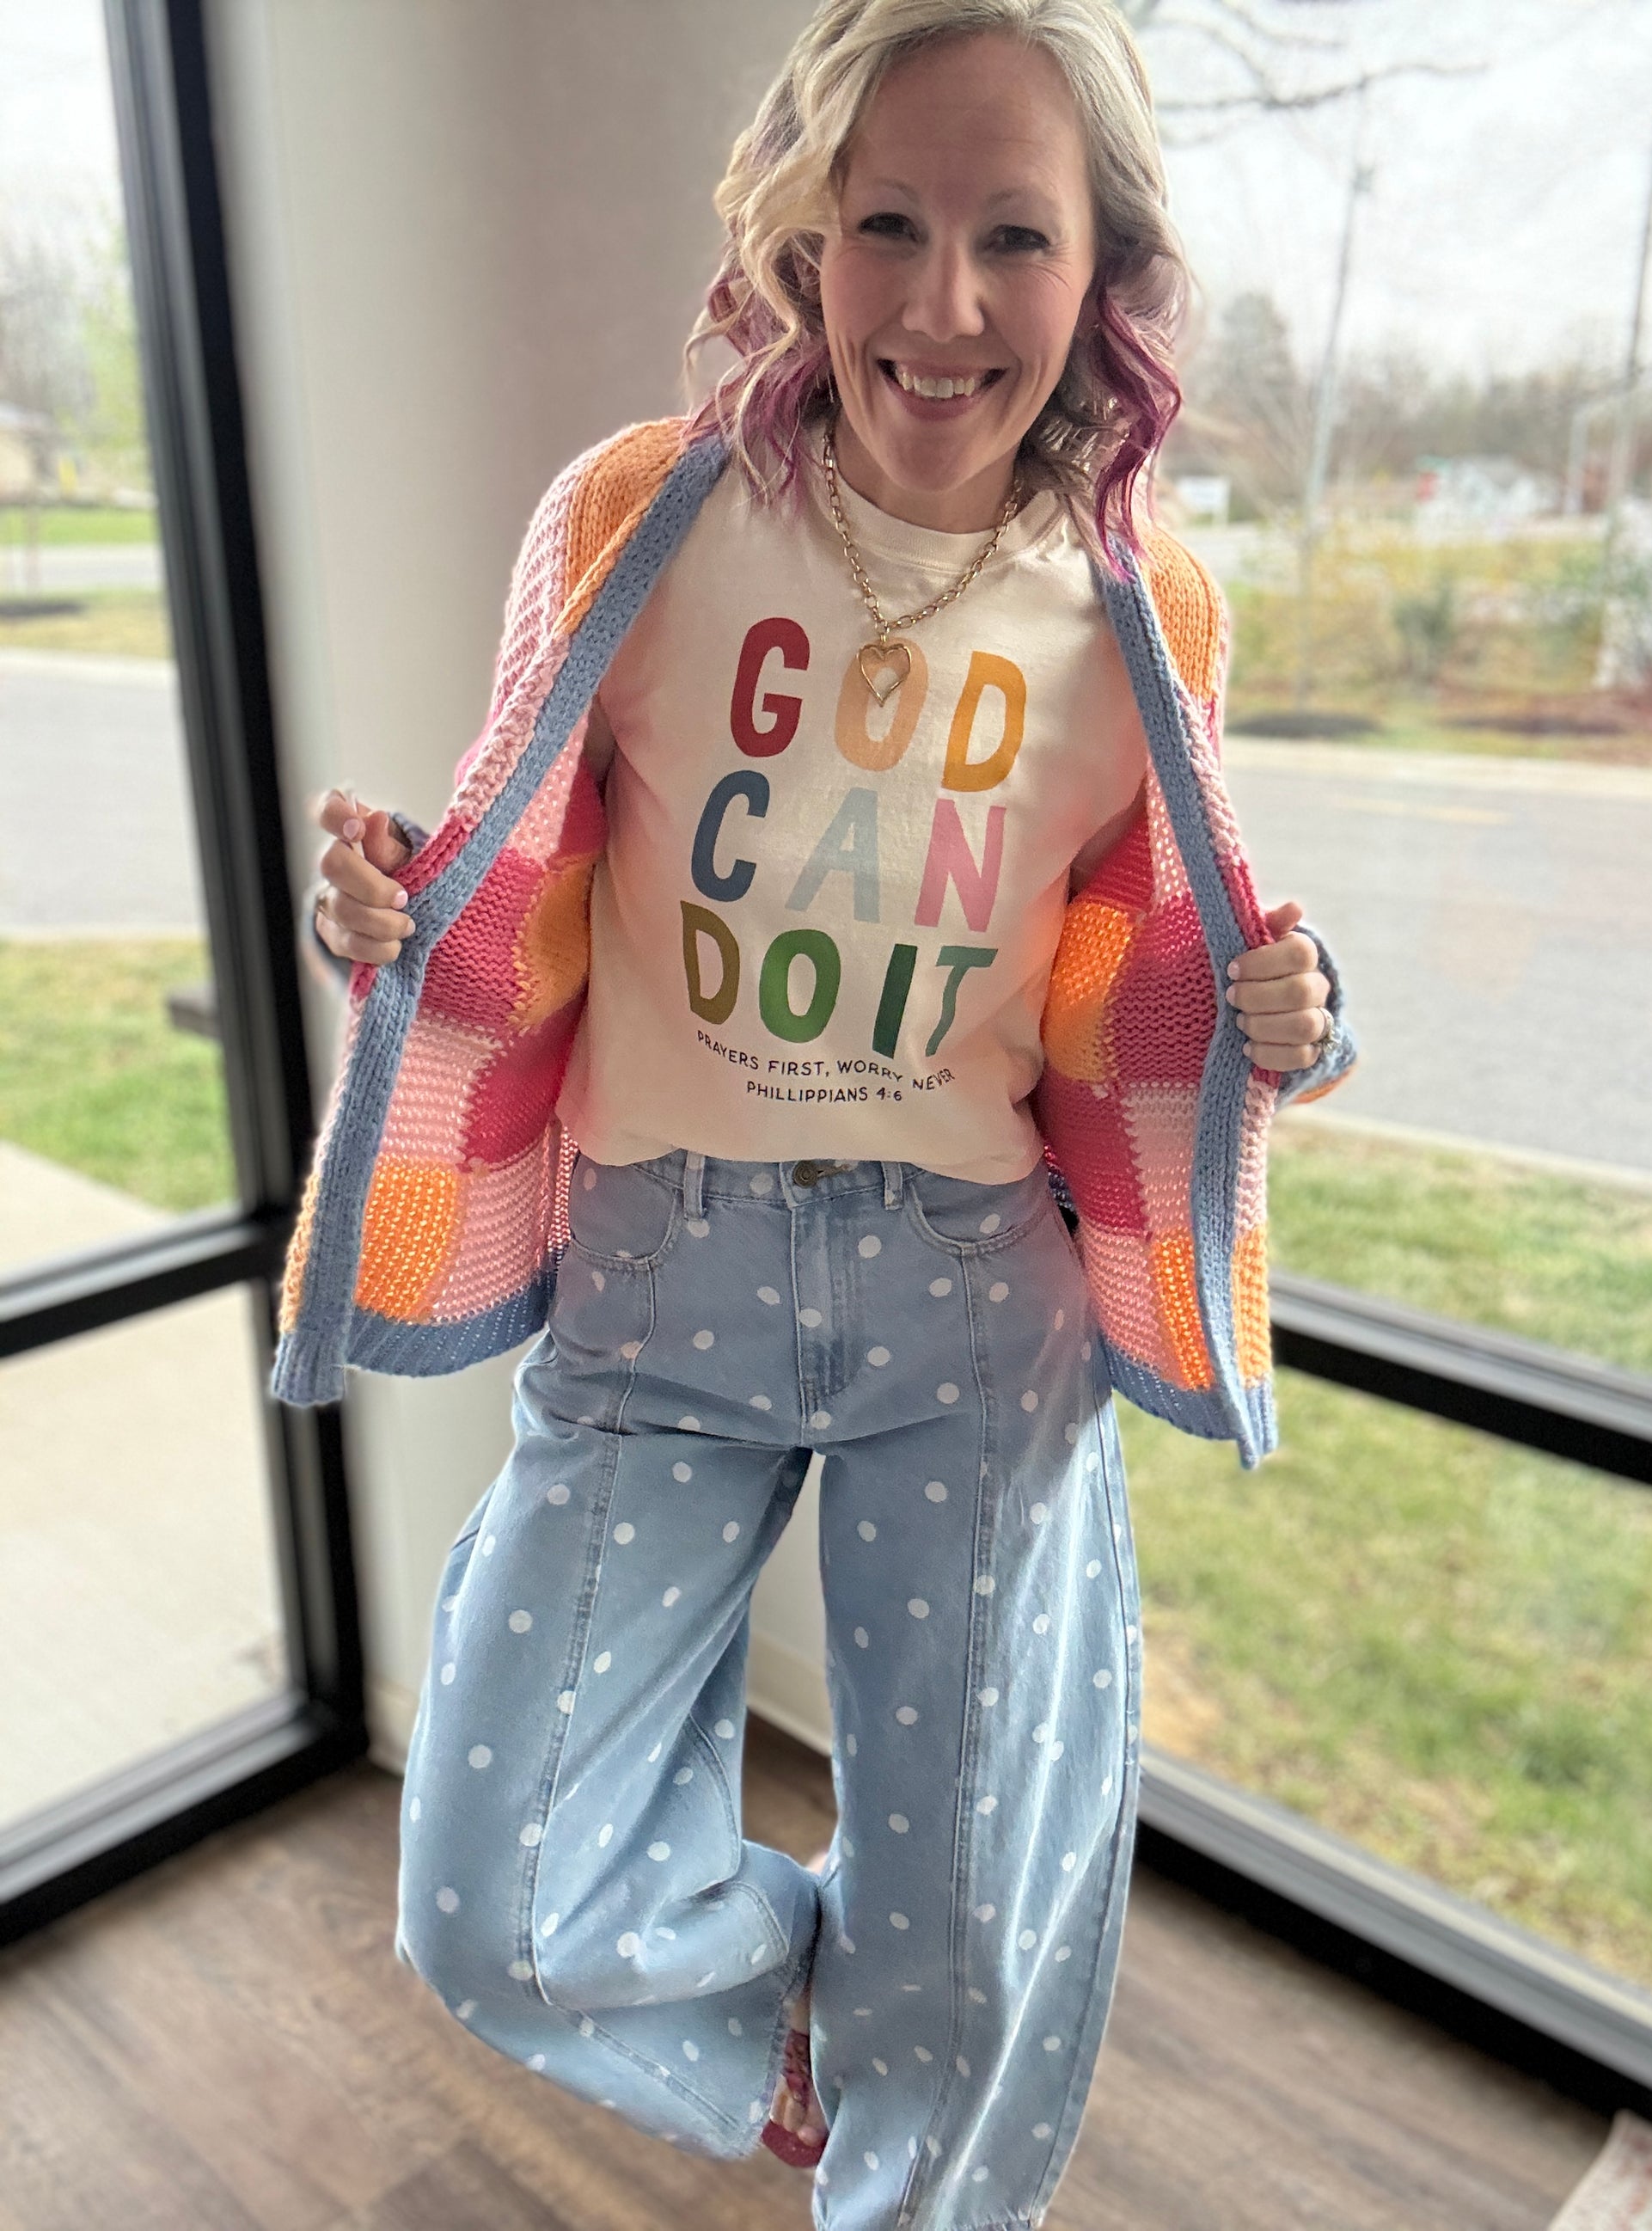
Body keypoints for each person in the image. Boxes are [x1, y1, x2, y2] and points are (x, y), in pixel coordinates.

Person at [285, 2, 1357, 2222]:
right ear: (803, 235)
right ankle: (808, 2032)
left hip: (973, 1307)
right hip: (659, 1277)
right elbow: (526, 867)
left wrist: (1286, 1014)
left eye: (1013, 234)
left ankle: (913, 2118)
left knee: (966, 1923)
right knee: (491, 1901)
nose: (943, 301)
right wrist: (405, 902)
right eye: (887, 223)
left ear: (1100, 268)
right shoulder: (637, 516)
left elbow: (1131, 968)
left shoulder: (1145, 608)